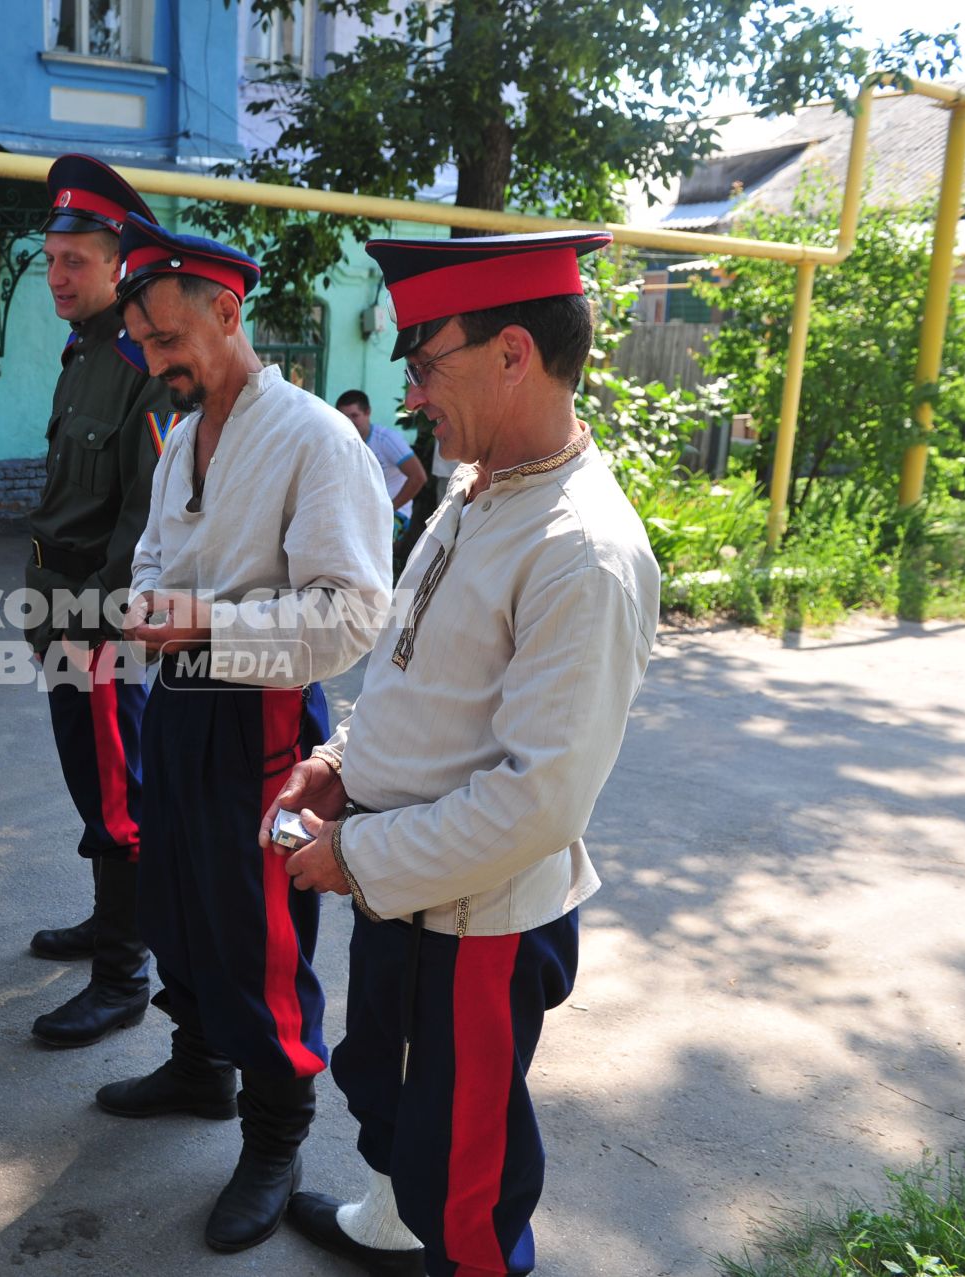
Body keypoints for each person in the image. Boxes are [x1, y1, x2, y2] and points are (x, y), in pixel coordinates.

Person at [265, 230, 661, 1277]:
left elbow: (540, 803)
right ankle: (393, 1230)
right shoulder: (482, 483)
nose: (411, 394)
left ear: (513, 352)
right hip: (409, 880)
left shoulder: (584, 550)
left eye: (424, 360)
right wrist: (344, 761)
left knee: (470, 1176)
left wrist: (357, 856)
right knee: (382, 1084)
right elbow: (411, 665)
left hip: (477, 918)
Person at [101, 215, 393, 1254]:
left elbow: (355, 615)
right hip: (179, 701)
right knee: (174, 897)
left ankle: (277, 1133)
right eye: (143, 342)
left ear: (230, 314)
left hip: (265, 716)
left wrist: (210, 621)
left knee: (261, 932)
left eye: (171, 339)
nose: (156, 360)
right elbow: (150, 551)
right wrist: (150, 605)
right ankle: (199, 1065)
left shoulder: (317, 437)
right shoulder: (183, 432)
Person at [21, 155, 182, 1049]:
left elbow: (143, 519)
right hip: (58, 617)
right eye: (50, 260)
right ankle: (105, 923)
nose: (57, 277)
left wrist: (95, 625)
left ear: (119, 261)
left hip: (98, 627)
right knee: (91, 786)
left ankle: (125, 975)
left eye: (73, 261)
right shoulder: (85, 352)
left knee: (121, 798)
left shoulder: (137, 363)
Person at [335, 389, 427, 542]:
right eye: (344, 417)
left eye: (354, 416)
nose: (349, 422)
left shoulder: (386, 439)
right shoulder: (339, 441)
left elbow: (418, 477)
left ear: (367, 413)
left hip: (394, 515)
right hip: (357, 513)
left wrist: (389, 509)